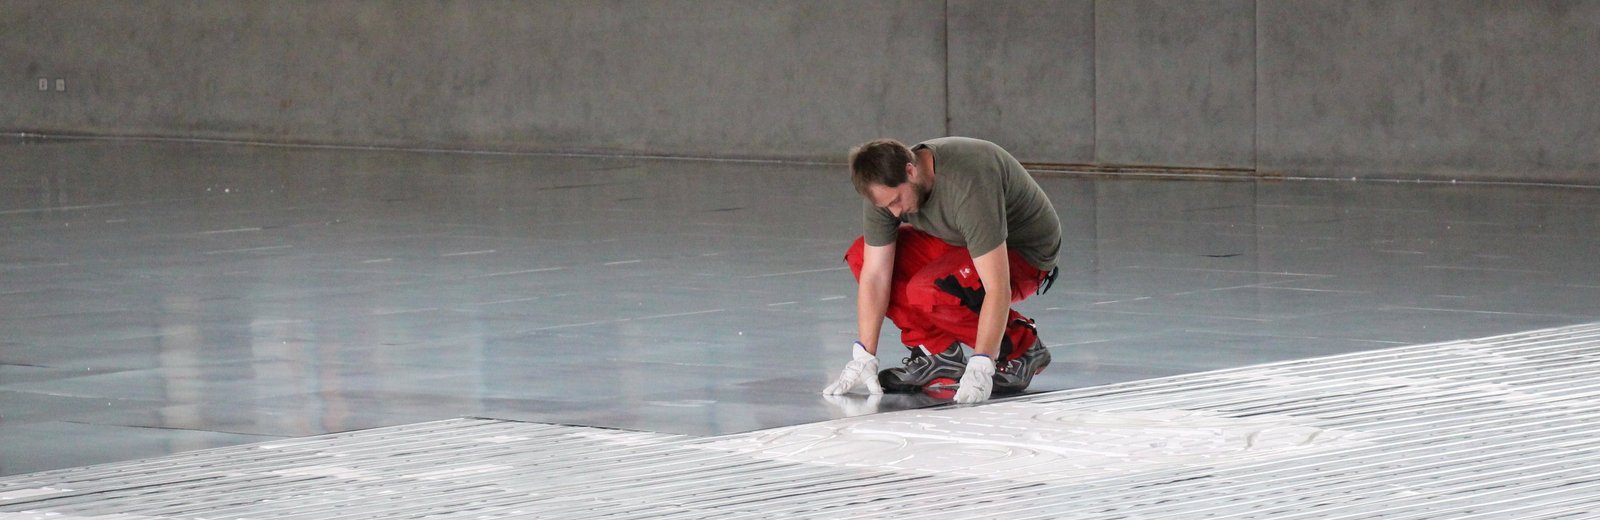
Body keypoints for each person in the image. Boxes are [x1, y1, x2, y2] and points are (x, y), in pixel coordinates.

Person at [823, 137, 1061, 404]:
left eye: (898, 200)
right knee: (861, 255)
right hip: (959, 240)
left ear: (910, 171)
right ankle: (938, 354)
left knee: (931, 289)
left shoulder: (967, 185)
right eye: (887, 205)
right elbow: (876, 274)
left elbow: (997, 285)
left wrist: (982, 361)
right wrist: (865, 354)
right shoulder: (882, 189)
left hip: (1022, 250)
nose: (895, 211)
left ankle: (1023, 348)